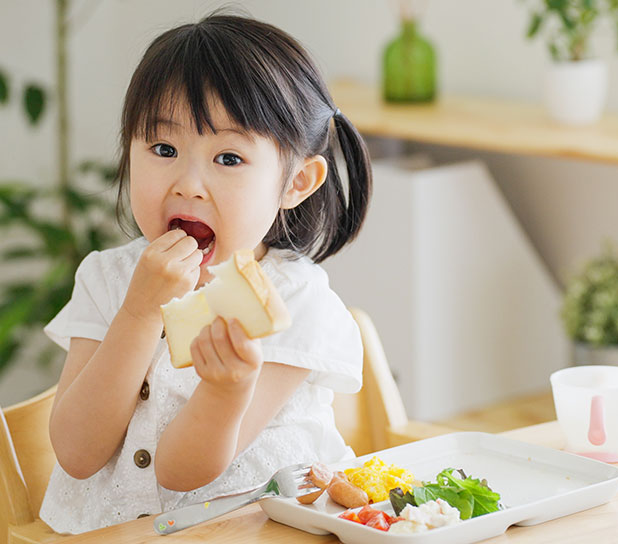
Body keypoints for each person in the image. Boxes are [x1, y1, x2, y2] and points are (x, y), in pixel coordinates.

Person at [40, 12, 373, 534]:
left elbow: (183, 475)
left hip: (250, 531)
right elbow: (77, 453)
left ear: (296, 183)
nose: (188, 184)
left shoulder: (293, 303)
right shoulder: (107, 280)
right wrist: (139, 311)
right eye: (164, 149)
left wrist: (226, 390)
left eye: (228, 158)